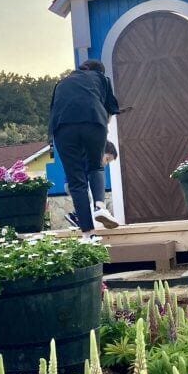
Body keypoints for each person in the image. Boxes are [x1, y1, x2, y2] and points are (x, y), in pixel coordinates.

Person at [49, 59, 120, 242]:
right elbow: (110, 110)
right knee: (95, 166)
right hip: (93, 120)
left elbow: (53, 111)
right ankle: (100, 207)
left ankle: (88, 234)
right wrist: (101, 130)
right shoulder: (101, 79)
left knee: (76, 180)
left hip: (62, 128)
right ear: (98, 71)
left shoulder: (61, 83)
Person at [65, 141, 118, 229]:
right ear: (100, 152)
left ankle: (76, 217)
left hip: (70, 184)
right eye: (107, 159)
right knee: (86, 201)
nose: (106, 164)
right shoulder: (89, 159)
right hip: (73, 185)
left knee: (87, 201)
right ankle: (75, 216)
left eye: (108, 162)